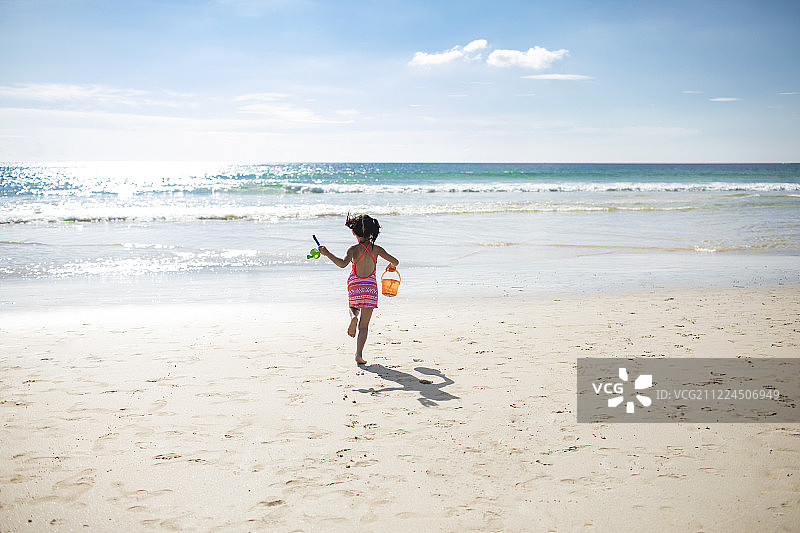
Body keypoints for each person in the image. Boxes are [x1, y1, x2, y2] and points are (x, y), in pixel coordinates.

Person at [318, 214, 399, 365]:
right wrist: (392, 267)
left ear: (354, 233)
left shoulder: (353, 250)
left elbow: (342, 264)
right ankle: (359, 355)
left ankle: (353, 317)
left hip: (355, 285)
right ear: (372, 233)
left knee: (353, 307)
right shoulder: (377, 249)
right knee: (364, 326)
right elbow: (396, 261)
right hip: (370, 288)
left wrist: (327, 253)